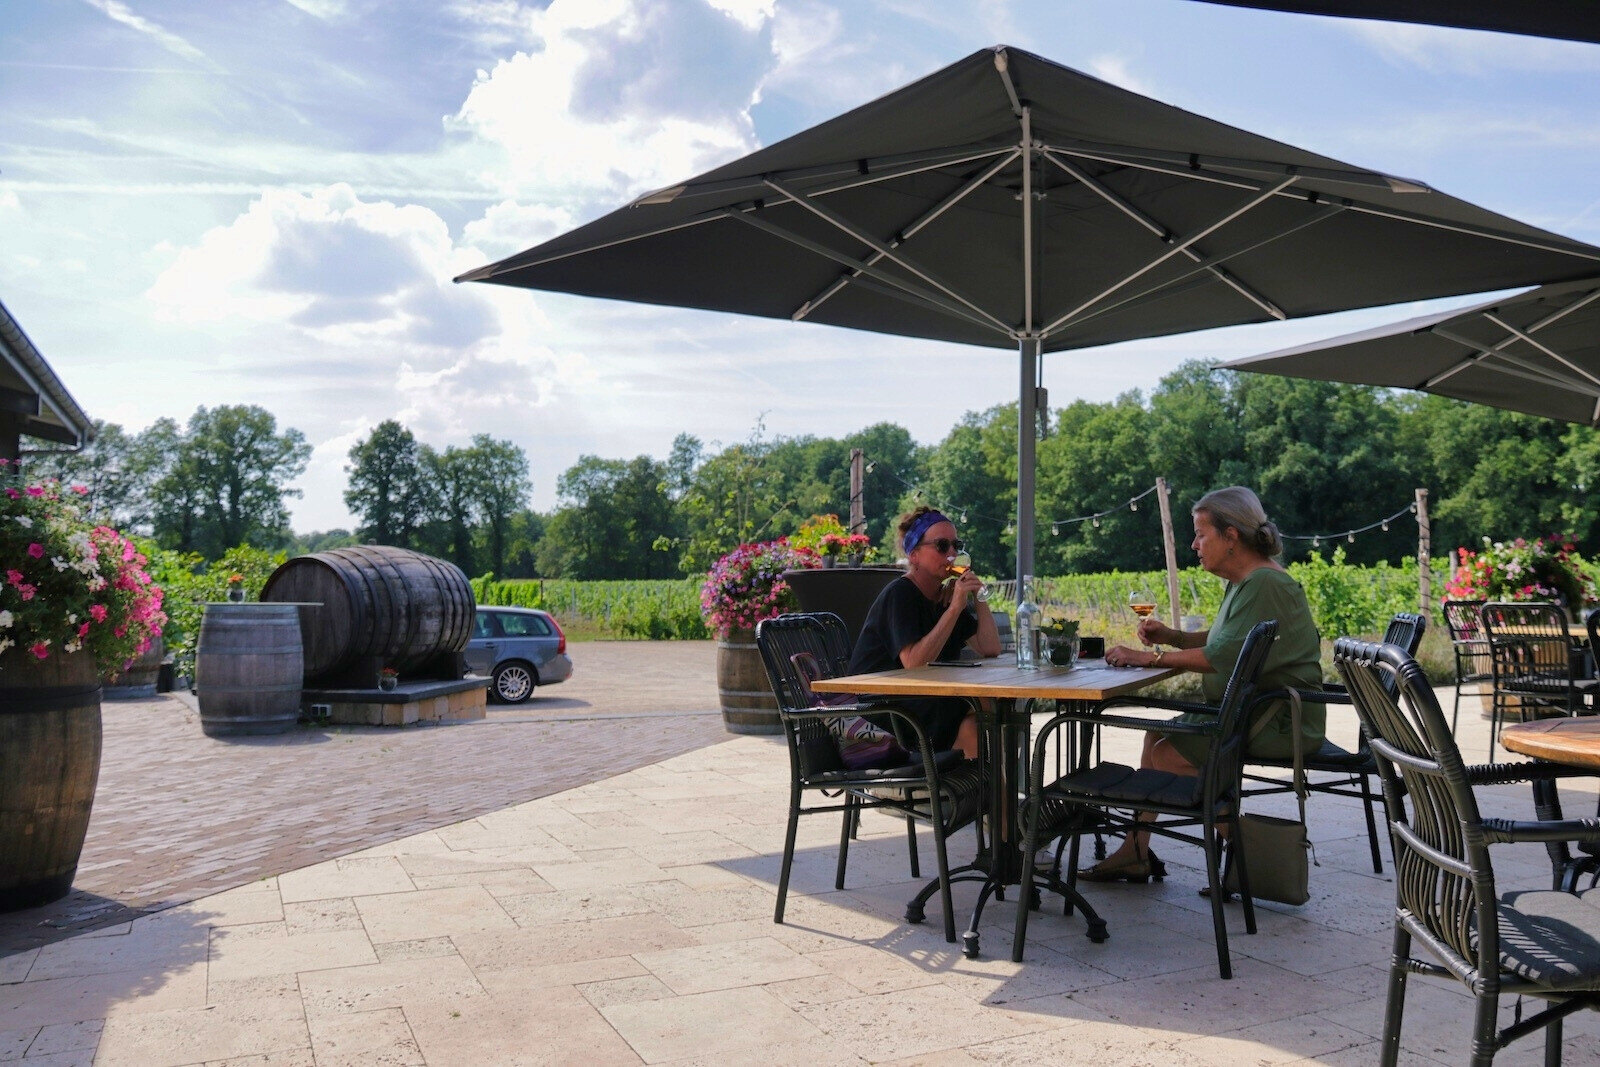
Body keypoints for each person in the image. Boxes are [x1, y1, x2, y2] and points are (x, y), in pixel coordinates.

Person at [1086, 486, 1323, 882]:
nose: (1195, 545)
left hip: (1277, 720)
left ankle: (1248, 860)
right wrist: (1173, 638)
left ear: (1231, 537)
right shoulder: (1248, 582)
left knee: (1167, 756)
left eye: (1200, 534)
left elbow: (1218, 657)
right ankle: (1136, 850)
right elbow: (1225, 640)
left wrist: (1147, 657)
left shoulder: (1266, 584)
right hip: (1251, 711)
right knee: (1155, 740)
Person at [847, 506, 1001, 758]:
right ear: (915, 554)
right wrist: (954, 609)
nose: (952, 554)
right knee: (979, 711)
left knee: (992, 708)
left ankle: (983, 792)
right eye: (942, 546)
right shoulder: (900, 594)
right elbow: (915, 663)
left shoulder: (943, 597)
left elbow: (990, 648)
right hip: (883, 711)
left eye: (956, 545)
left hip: (920, 701)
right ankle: (981, 791)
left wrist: (979, 597)